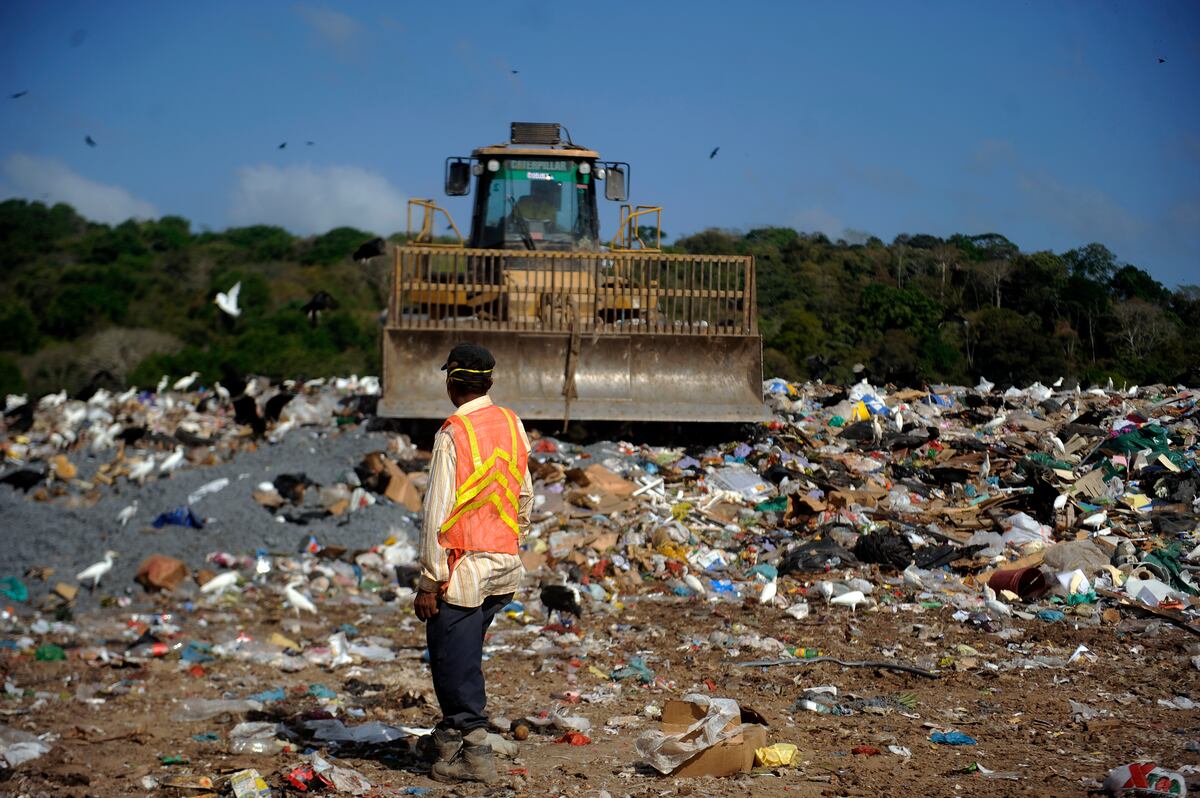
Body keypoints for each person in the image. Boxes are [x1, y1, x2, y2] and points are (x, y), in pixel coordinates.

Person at [415, 342, 533, 785]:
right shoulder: (511, 422)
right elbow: (524, 495)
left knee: (451, 662)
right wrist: (511, 541)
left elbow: (436, 514)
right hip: (503, 567)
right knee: (463, 657)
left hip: (462, 571)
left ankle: (473, 751)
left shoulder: (452, 434)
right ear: (489, 382)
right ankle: (448, 738)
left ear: (451, 382)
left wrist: (429, 580)